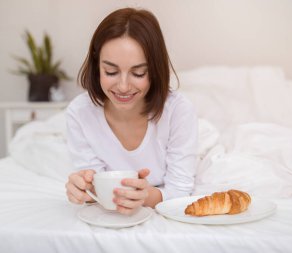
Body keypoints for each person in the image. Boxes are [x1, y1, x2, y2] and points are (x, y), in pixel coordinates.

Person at [65, 7, 198, 215]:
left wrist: (148, 196)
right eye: (111, 71)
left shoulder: (179, 112)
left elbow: (180, 189)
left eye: (138, 73)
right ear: (96, 65)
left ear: (154, 70)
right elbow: (96, 186)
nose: (124, 87)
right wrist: (84, 189)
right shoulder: (79, 113)